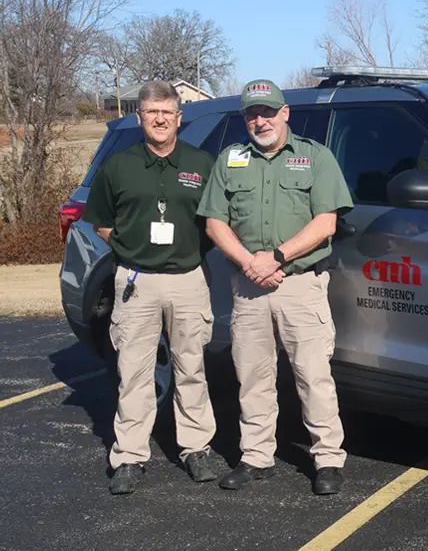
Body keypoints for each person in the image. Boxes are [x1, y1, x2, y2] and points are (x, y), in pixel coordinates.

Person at [196, 79, 354, 495]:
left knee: (313, 374)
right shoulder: (230, 160)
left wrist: (277, 257)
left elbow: (326, 222)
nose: (260, 120)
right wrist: (251, 262)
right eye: (252, 113)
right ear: (244, 119)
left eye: (267, 111)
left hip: (299, 283)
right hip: (249, 285)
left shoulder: (315, 158)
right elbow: (215, 222)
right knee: (252, 375)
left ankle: (327, 460)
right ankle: (256, 457)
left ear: (286, 113)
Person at [82, 80, 222, 494]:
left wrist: (192, 250)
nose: (160, 119)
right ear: (140, 116)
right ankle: (128, 455)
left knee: (190, 367)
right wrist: (128, 247)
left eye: (167, 112)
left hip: (187, 280)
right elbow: (101, 221)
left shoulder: (201, 163)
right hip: (136, 281)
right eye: (152, 111)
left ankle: (196, 448)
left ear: (179, 117)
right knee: (134, 371)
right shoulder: (118, 166)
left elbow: (215, 223)